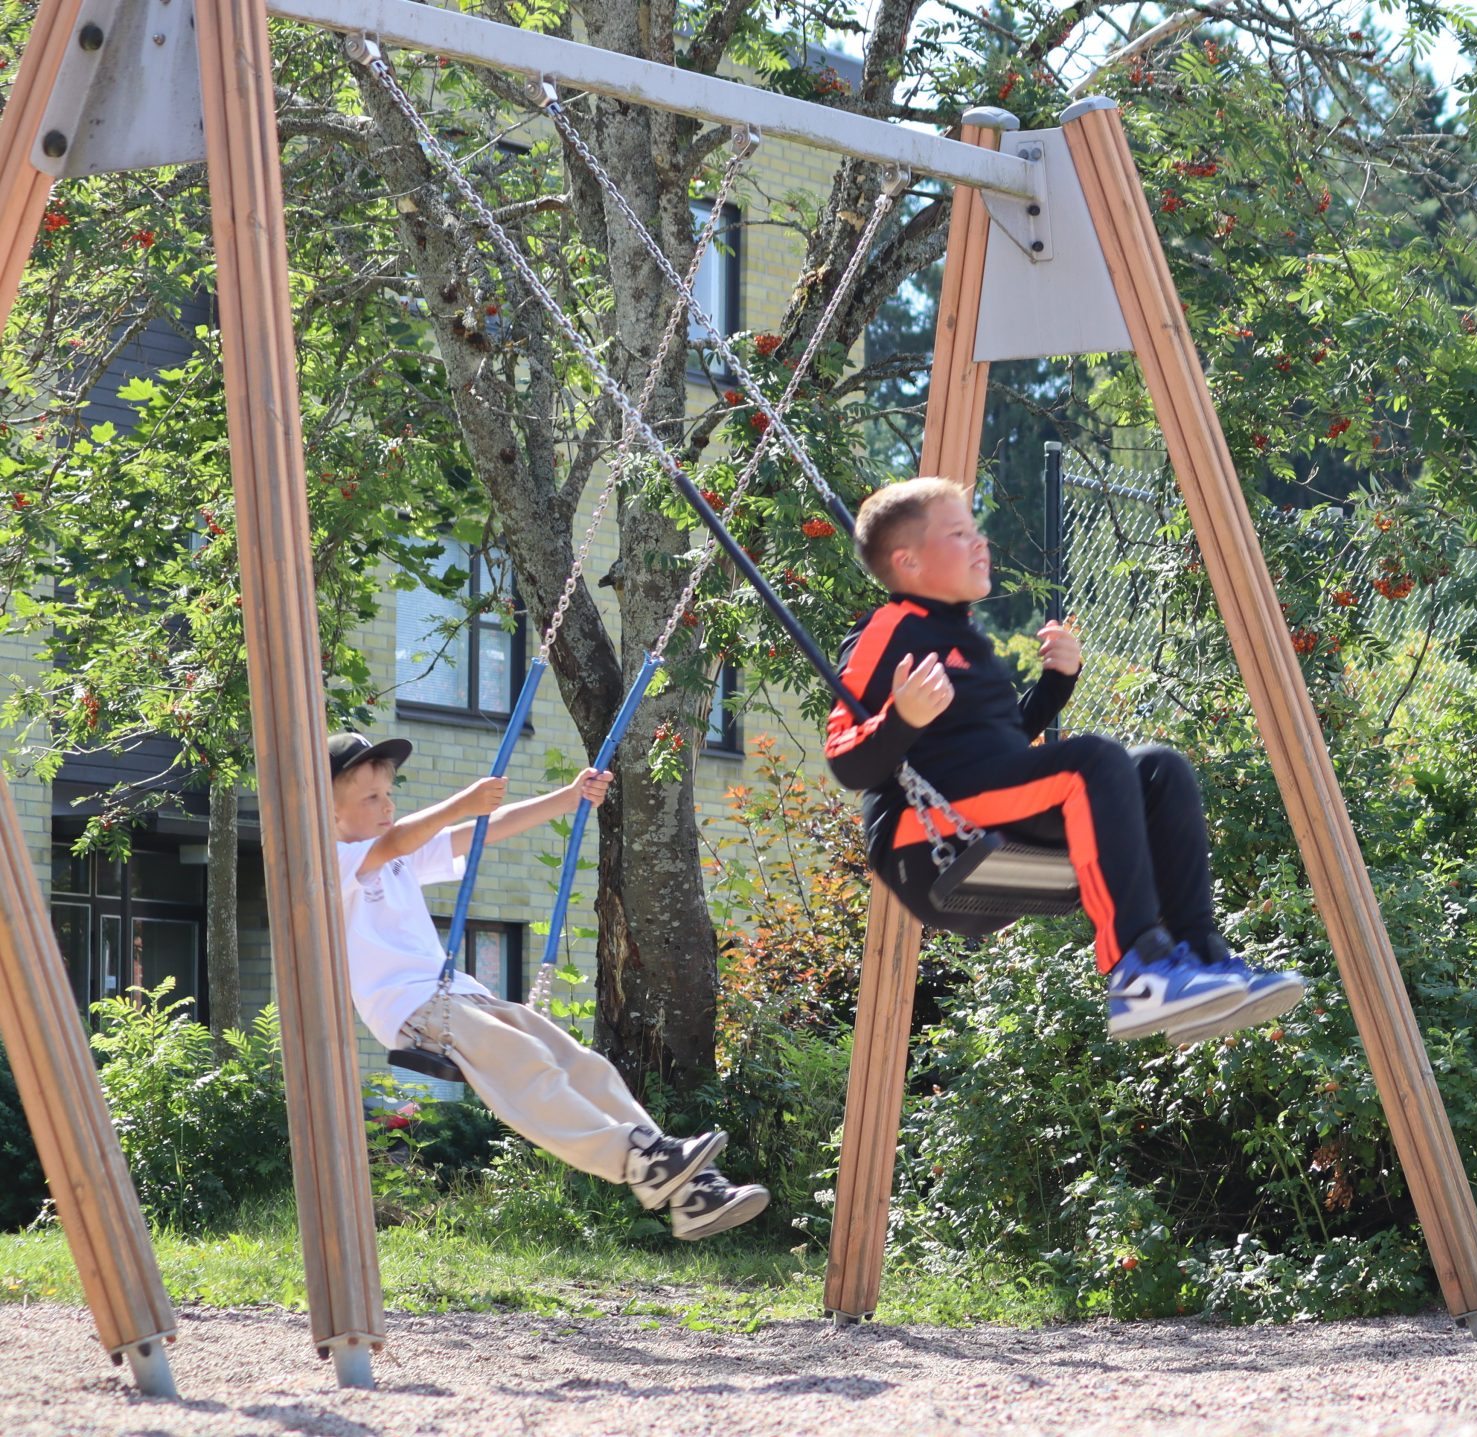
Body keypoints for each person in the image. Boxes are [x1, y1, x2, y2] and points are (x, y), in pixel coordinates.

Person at [823, 476, 1304, 1043]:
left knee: (1159, 768)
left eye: (976, 529)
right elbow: (847, 762)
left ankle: (1200, 958)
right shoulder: (888, 630)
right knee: (1092, 761)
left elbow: (998, 747)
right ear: (907, 561)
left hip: (982, 807)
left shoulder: (965, 635)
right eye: (958, 533)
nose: (980, 542)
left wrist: (1056, 684)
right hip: (921, 839)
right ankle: (1139, 970)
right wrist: (901, 717)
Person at [328, 732, 767, 1239]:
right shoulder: (331, 859)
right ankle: (637, 1160)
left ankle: (689, 1189)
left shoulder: (397, 857)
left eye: (389, 793)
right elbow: (398, 839)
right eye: (371, 797)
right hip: (412, 1007)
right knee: (526, 1064)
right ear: (328, 811)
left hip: (456, 995)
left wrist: (569, 796)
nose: (388, 805)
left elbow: (483, 831)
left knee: (580, 1064)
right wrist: (460, 802)